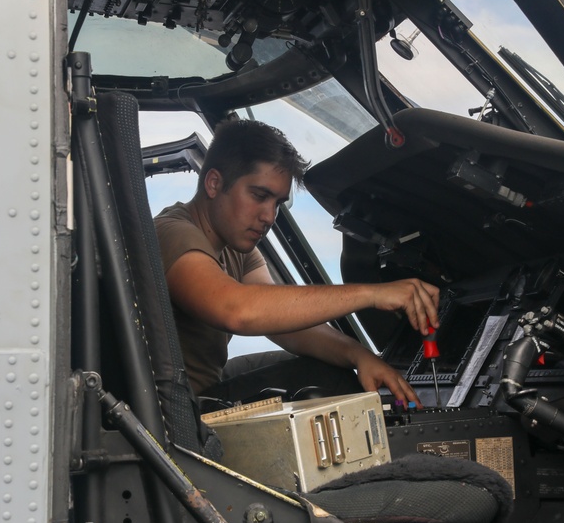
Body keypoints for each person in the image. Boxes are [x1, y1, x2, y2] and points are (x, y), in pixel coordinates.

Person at [153, 119, 439, 406]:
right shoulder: (171, 233)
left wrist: (358, 355)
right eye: (259, 196)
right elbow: (237, 309)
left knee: (326, 369)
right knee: (329, 382)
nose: (268, 217)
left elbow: (278, 320)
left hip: (207, 386)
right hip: (171, 414)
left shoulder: (236, 246)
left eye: (277, 203)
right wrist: (372, 294)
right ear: (214, 183)